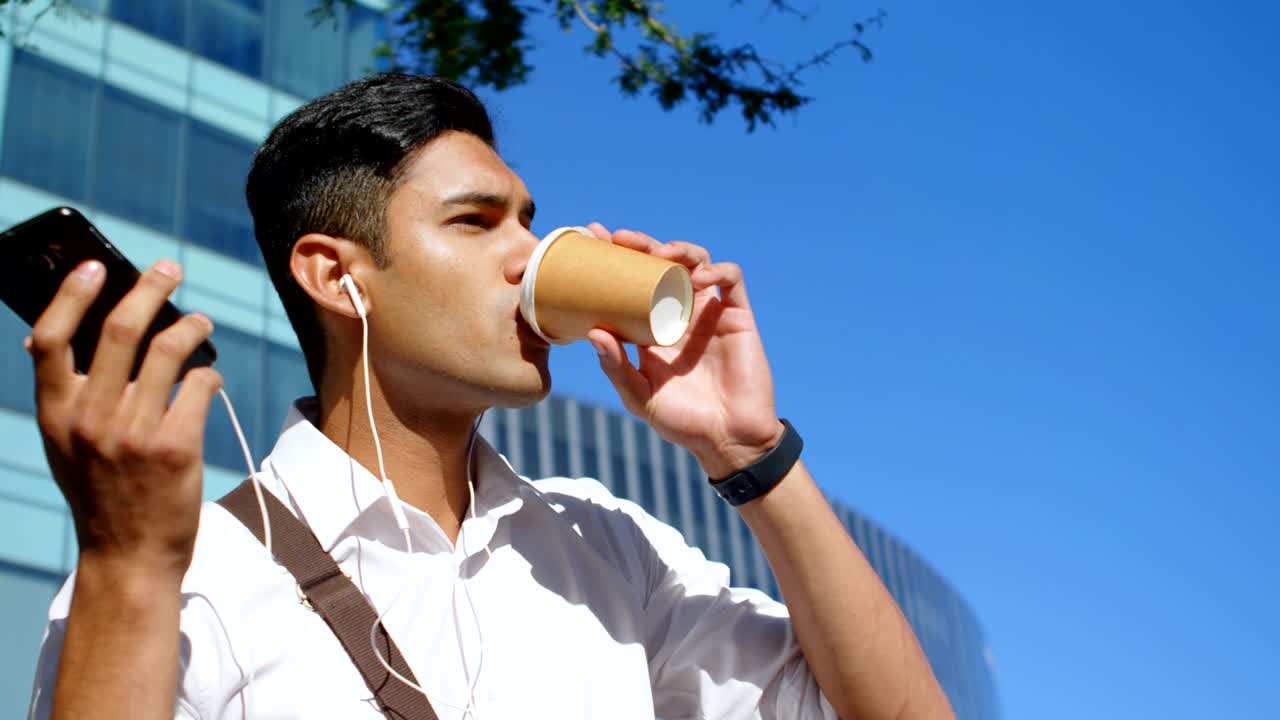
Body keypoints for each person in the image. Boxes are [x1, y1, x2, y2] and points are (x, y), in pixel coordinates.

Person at [25, 73, 952, 720]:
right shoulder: (182, 578)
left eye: (529, 221)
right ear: (336, 276)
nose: (529, 258)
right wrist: (127, 571)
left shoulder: (605, 547)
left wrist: (749, 451)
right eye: (474, 222)